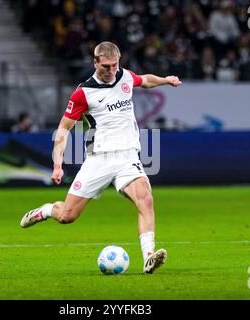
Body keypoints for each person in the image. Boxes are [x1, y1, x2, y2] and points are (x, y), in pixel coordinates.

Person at [19, 41, 181, 274]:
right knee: (67, 216)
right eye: (105, 66)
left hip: (127, 157)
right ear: (95, 63)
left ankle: (148, 257)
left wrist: (166, 80)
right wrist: (57, 165)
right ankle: (45, 210)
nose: (111, 70)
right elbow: (63, 129)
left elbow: (144, 80)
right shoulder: (83, 92)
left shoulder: (124, 76)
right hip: (98, 160)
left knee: (145, 199)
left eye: (114, 65)